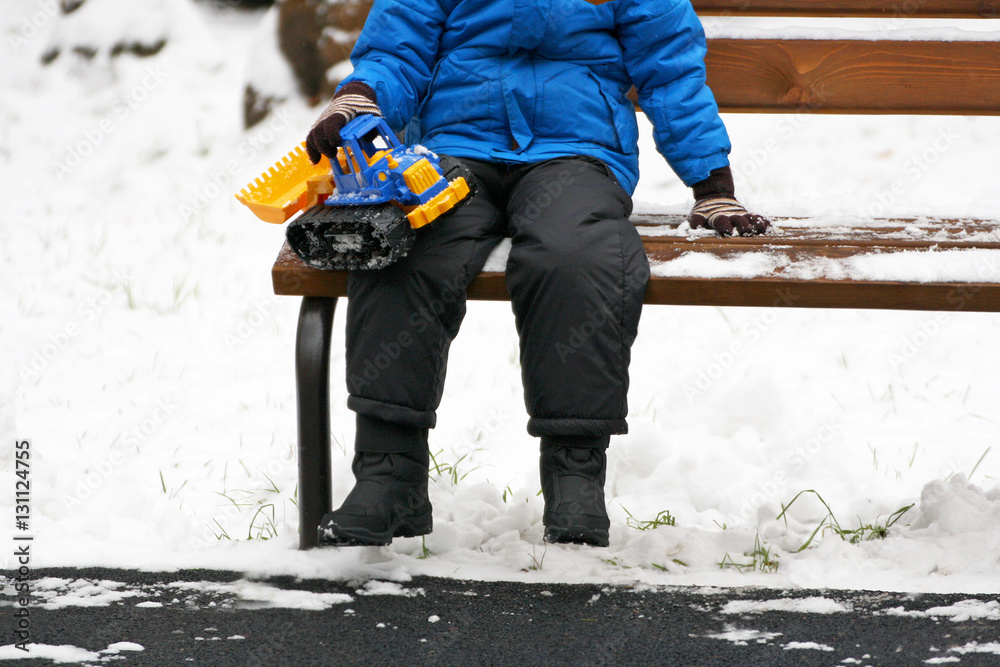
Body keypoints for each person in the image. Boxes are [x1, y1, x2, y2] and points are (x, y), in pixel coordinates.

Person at [304, 0, 769, 549]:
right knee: (405, 246)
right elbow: (397, 46)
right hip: (454, 149)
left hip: (576, 151)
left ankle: (575, 474)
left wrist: (711, 184)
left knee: (574, 253)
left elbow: (668, 66)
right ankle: (389, 475)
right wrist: (362, 97)